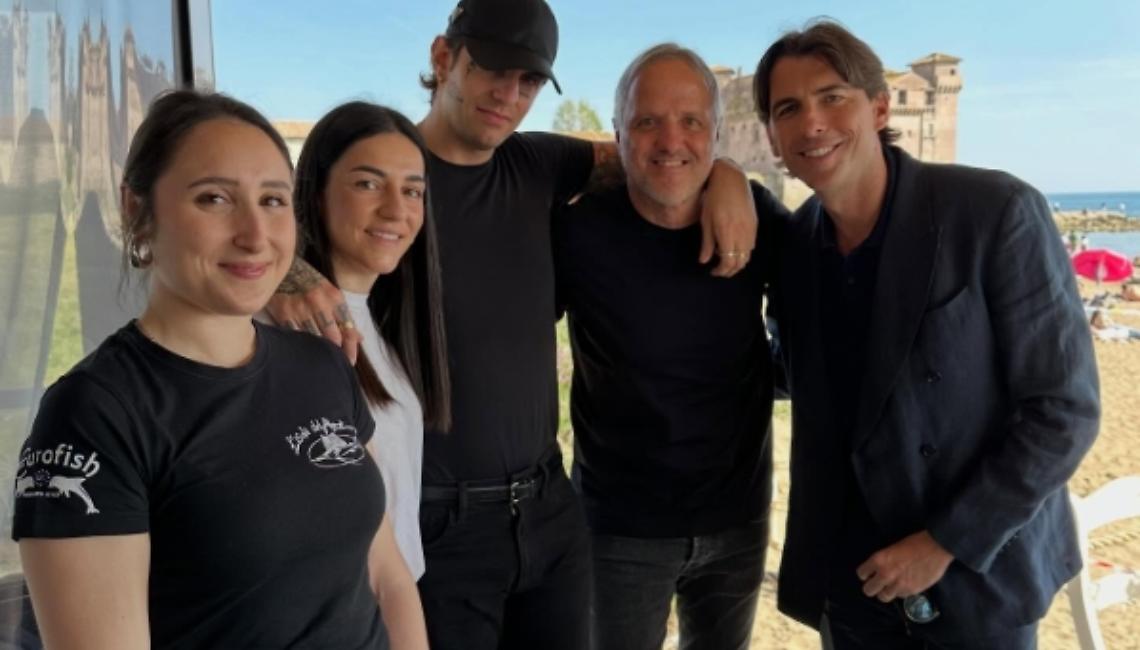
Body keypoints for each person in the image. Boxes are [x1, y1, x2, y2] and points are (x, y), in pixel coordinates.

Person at [265, 1, 760, 648]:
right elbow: (275, 242)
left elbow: (657, 153)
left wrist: (728, 177)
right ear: (443, 58)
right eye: (491, 68)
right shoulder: (386, 180)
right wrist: (288, 278)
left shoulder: (540, 164)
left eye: (529, 81)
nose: (509, 94)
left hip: (550, 507)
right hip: (437, 520)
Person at [11, 90, 427, 650]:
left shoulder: (323, 365)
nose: (255, 234)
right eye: (214, 198)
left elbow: (386, 577)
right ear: (136, 209)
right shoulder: (95, 415)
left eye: (273, 201)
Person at [756, 20, 1100, 649]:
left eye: (833, 97)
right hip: (851, 581)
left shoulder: (994, 211)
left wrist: (946, 541)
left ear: (879, 106)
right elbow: (797, 370)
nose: (812, 122)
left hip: (973, 576)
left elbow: (1063, 410)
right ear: (774, 140)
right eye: (788, 109)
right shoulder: (797, 243)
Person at [553, 44, 782, 650]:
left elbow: (824, 317)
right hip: (618, 528)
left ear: (716, 132)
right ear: (619, 134)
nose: (669, 139)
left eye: (690, 122)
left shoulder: (756, 214)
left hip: (739, 519)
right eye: (646, 121)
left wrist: (733, 176)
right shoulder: (577, 232)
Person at [291, 101, 451, 581]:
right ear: (316, 192)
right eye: (368, 183)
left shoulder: (377, 324)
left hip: (388, 607)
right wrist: (286, 275)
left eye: (412, 190)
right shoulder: (291, 323)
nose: (396, 209)